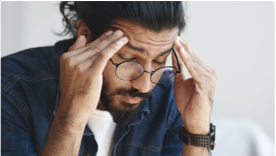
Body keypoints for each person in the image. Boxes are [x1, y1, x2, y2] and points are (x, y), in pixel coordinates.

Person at [0, 2, 217, 156]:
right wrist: (71, 119)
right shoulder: (9, 90)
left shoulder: (169, 100)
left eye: (160, 61)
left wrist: (196, 132)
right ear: (85, 35)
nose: (145, 85)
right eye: (129, 58)